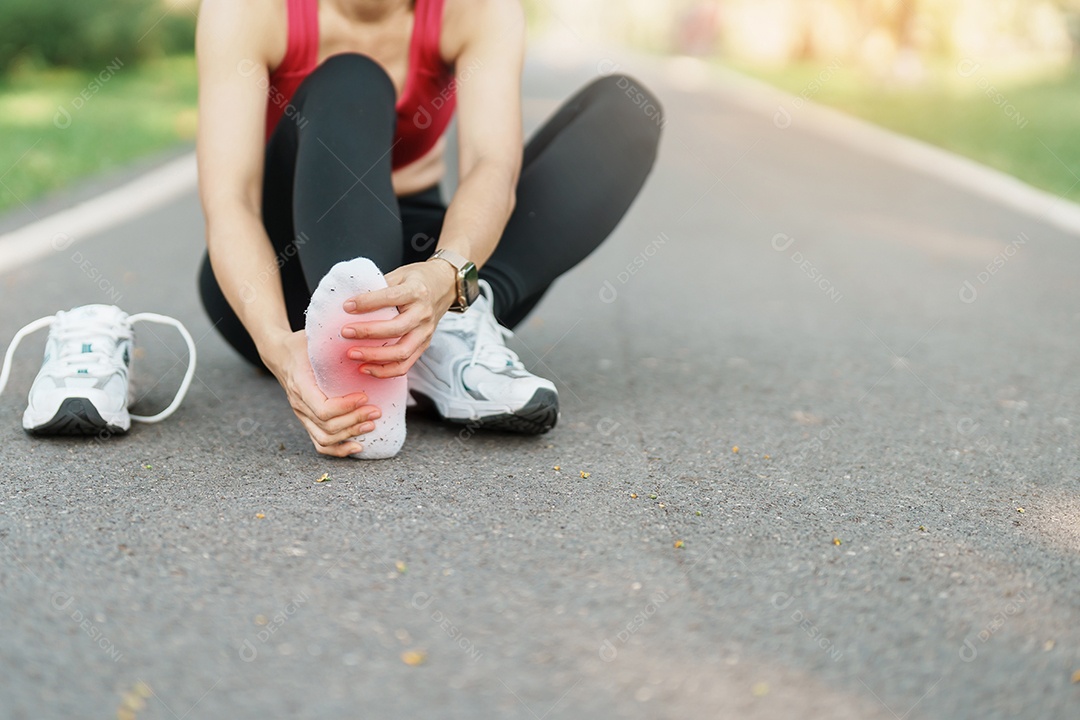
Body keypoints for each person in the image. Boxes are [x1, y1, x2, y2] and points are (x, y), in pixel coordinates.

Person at [196, 0, 662, 457]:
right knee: (352, 76)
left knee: (626, 110)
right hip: (286, 279)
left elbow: (490, 166)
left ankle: (459, 323)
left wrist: (447, 277)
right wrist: (277, 344)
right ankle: (366, 345)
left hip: (432, 267)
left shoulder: (478, 10)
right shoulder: (246, 10)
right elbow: (230, 202)